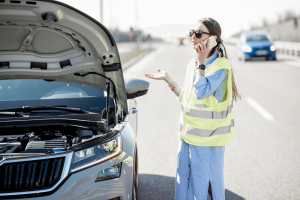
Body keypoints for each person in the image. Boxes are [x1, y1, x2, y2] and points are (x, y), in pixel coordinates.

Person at [144, 17, 241, 200]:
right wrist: (169, 80)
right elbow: (188, 98)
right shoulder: (193, 65)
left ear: (212, 39)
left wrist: (202, 63)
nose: (193, 38)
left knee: (205, 189)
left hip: (208, 144)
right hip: (188, 139)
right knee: (185, 187)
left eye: (198, 33)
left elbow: (202, 92)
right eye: (192, 33)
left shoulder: (220, 67)